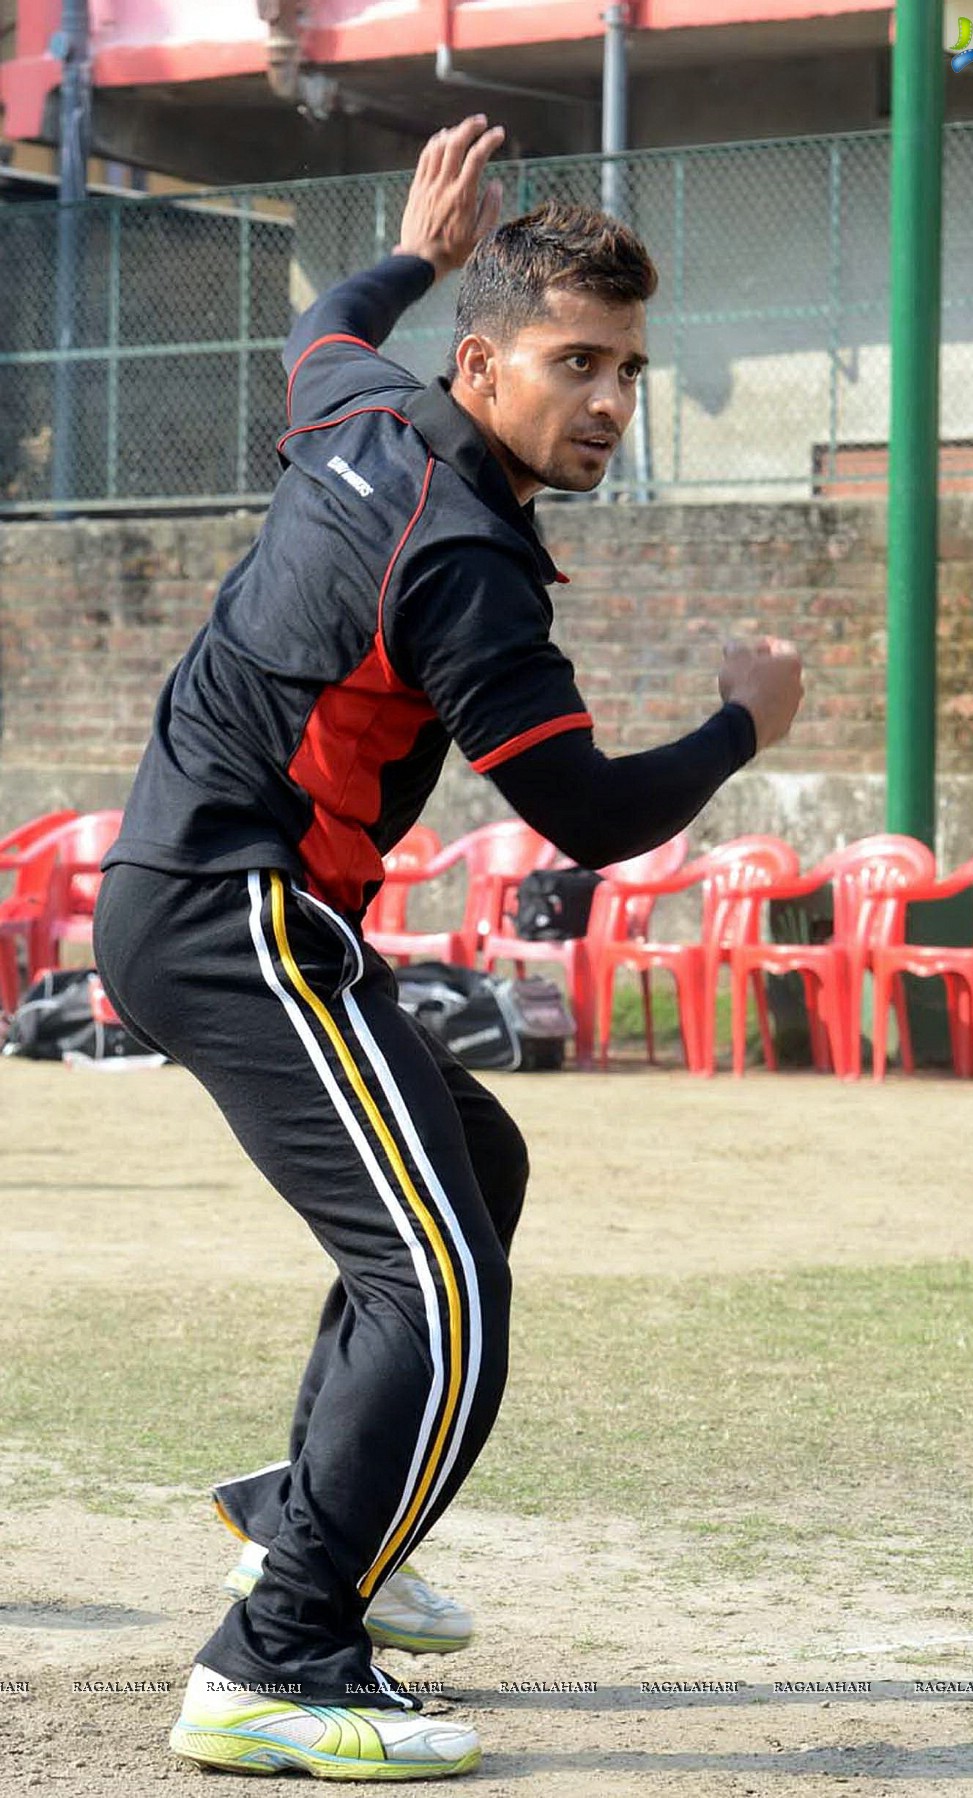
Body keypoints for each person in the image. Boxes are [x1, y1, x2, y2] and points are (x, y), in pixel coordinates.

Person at [94, 114, 804, 1782]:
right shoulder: (470, 559)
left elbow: (320, 317)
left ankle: (319, 1508)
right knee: (447, 1287)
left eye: (629, 367)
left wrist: (417, 244)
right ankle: (276, 1655)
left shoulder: (356, 402)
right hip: (234, 908)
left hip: (223, 903)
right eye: (577, 362)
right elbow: (590, 816)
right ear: (481, 365)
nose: (611, 402)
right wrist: (736, 725)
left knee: (467, 1163)